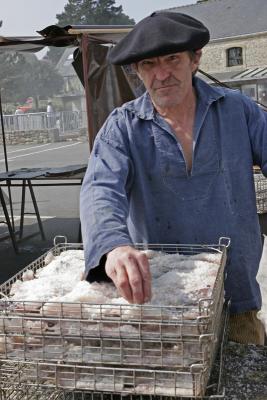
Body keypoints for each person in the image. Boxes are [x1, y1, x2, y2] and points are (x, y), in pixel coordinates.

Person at [80, 12, 266, 345]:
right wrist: (114, 246)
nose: (162, 74)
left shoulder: (239, 110)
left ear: (195, 59)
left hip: (236, 295)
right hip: (162, 302)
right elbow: (100, 190)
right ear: (137, 70)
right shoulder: (122, 127)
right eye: (149, 64)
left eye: (172, 59)